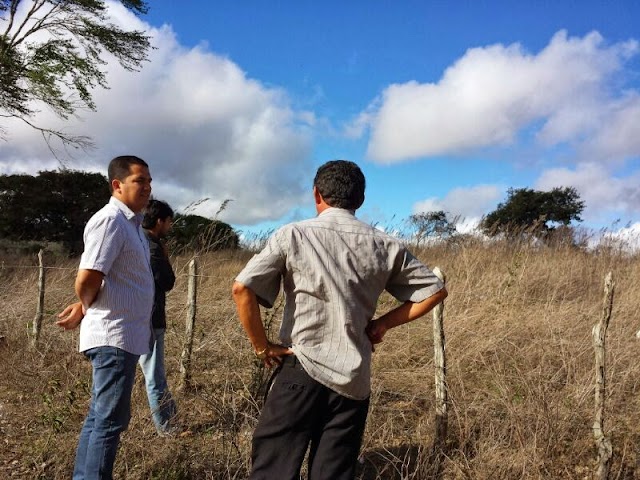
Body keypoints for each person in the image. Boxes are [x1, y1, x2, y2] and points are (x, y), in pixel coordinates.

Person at [232, 160, 448, 480]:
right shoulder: (385, 244)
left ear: (317, 194)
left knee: (273, 470)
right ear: (359, 200)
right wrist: (383, 324)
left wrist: (262, 347)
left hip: (299, 368)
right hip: (354, 378)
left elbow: (242, 288)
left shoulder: (293, 234)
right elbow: (435, 291)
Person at [57, 155, 154, 479]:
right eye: (140, 180)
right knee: (109, 421)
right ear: (117, 185)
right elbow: (88, 277)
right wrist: (85, 303)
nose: (147, 187)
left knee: (102, 418)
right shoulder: (111, 220)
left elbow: (113, 280)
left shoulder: (133, 225)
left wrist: (85, 307)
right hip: (114, 335)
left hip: (124, 336)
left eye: (149, 181)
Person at [139, 199, 177, 435]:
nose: (170, 227)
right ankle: (167, 429)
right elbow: (167, 281)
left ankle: (169, 422)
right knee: (155, 377)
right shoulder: (152, 247)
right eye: (169, 222)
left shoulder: (137, 239)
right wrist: (165, 256)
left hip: (139, 318)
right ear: (160, 221)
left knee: (154, 375)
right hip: (150, 320)